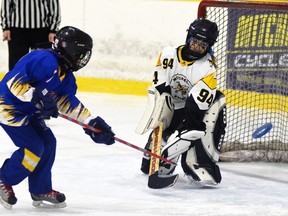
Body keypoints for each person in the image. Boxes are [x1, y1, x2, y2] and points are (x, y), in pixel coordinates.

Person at [0, 26, 115, 209]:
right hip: (8, 108)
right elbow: (13, 83)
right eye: (81, 54)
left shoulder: (66, 77)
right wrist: (35, 97)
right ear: (68, 48)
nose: (83, 59)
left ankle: (40, 189)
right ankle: (4, 178)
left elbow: (67, 102)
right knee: (34, 147)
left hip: (29, 111)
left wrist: (91, 123)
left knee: (49, 142)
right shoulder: (43, 59)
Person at [136, 18, 227, 186]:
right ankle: (153, 152)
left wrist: (187, 126)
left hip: (189, 107)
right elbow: (160, 82)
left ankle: (196, 161)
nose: (197, 47)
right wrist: (162, 111)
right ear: (188, 38)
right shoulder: (168, 53)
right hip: (169, 102)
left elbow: (197, 102)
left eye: (203, 45)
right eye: (194, 42)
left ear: (210, 46)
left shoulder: (208, 67)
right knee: (148, 165)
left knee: (186, 132)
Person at [1, 0, 61, 70]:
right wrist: (5, 27)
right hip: (17, 31)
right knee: (16, 65)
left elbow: (53, 4)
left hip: (42, 31)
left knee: (42, 65)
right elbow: (6, 3)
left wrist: (53, 30)